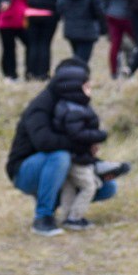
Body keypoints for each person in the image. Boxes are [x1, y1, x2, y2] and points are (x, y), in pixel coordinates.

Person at [6, 59, 117, 236]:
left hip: (65, 169)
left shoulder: (75, 103)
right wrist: (84, 144)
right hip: (25, 172)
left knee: (109, 186)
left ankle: (69, 214)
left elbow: (80, 138)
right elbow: (45, 142)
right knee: (60, 156)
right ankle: (43, 217)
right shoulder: (40, 106)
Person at [51, 74, 108, 231]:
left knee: (69, 187)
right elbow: (77, 134)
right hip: (78, 157)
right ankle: (75, 218)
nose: (90, 91)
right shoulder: (75, 109)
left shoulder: (65, 106)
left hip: (70, 156)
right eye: (87, 87)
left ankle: (65, 217)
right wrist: (99, 136)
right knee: (89, 186)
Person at [23, 0, 62, 80]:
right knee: (45, 44)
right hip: (49, 15)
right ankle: (43, 73)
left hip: (31, 14)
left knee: (32, 44)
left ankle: (30, 72)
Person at [99, 0, 135, 78]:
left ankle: (114, 72)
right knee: (135, 44)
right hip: (127, 14)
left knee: (115, 45)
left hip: (112, 14)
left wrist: (105, 12)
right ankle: (133, 69)